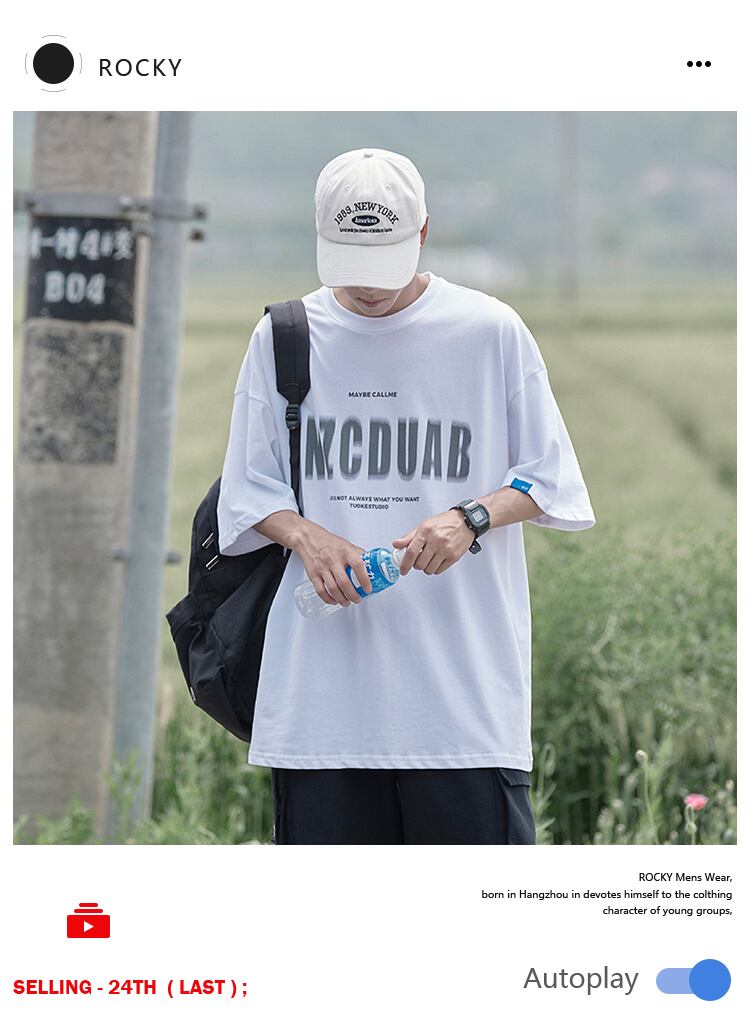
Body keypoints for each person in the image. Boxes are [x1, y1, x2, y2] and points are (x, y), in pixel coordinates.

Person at [217, 147, 595, 844]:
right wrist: (307, 537)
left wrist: (470, 517)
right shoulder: (285, 337)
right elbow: (246, 489)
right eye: (349, 264)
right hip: (321, 709)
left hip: (463, 708)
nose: (368, 288)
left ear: (423, 232)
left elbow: (550, 480)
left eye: (384, 263)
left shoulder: (489, 331)